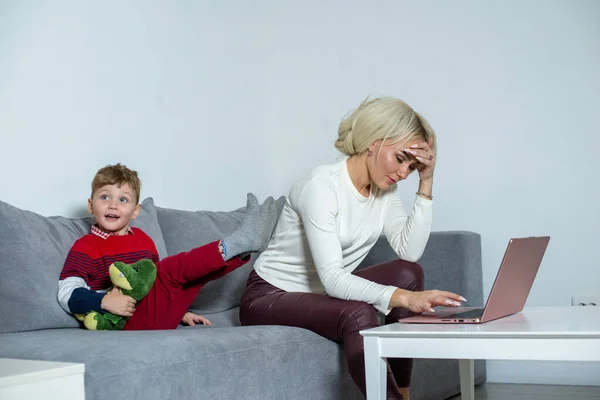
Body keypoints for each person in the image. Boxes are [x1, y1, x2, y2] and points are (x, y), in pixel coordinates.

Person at [239, 96, 466, 399]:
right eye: (400, 159)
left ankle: (403, 393)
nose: (403, 173)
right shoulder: (321, 187)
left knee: (408, 271)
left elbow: (409, 251)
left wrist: (427, 180)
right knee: (358, 313)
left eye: (412, 167)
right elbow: (333, 278)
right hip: (268, 296)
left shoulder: (386, 190)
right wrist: (405, 299)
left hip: (317, 294)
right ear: (373, 142)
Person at [58, 163, 284, 330]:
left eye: (123, 200)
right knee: (170, 269)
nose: (113, 205)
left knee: (193, 277)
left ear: (135, 210)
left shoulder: (142, 239)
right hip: (123, 322)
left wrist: (181, 313)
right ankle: (234, 244)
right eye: (104, 197)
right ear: (91, 205)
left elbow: (158, 289)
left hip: (155, 317)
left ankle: (241, 250)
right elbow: (67, 293)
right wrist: (104, 301)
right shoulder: (86, 246)